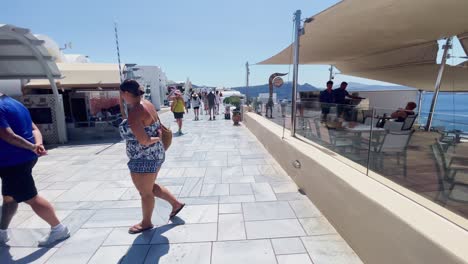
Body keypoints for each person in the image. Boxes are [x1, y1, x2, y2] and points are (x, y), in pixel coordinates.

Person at [0, 93, 70, 246]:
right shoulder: (15, 104)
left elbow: (7, 135)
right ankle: (2, 232)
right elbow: (34, 128)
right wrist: (38, 145)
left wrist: (33, 147)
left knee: (30, 197)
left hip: (14, 161)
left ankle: (59, 229)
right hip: (22, 158)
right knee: (9, 197)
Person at [119, 80, 184, 234]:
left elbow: (144, 140)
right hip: (156, 154)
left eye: (122, 93)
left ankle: (146, 223)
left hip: (144, 158)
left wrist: (157, 138)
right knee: (149, 186)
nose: (121, 96)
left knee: (145, 192)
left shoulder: (135, 113)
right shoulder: (146, 103)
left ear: (127, 93)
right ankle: (175, 204)